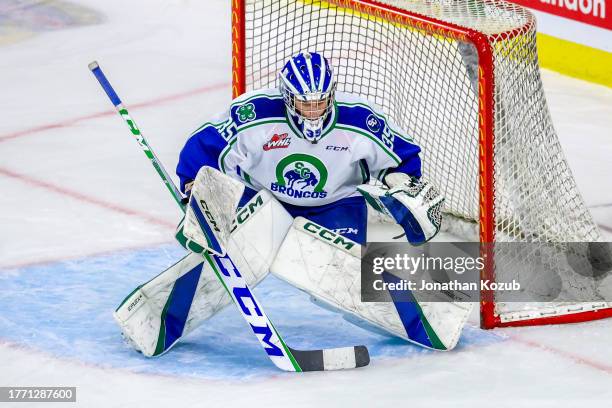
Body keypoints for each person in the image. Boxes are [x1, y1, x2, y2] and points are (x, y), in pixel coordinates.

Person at [176, 51, 441, 245]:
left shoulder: (360, 120)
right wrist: (193, 187)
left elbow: (401, 155)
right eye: (305, 103)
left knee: (348, 278)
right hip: (260, 199)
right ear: (288, 97)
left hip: (336, 205)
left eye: (321, 101)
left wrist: (403, 180)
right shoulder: (255, 114)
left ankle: (404, 317)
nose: (314, 110)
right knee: (213, 247)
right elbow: (205, 144)